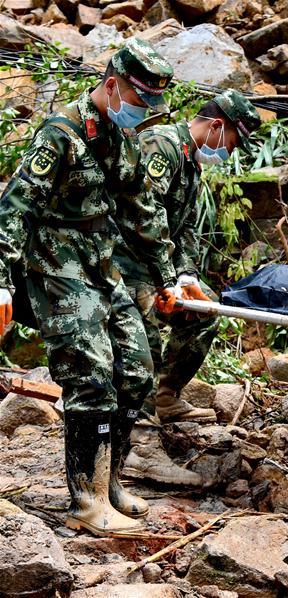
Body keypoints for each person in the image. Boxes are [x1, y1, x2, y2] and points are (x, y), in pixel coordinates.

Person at [0, 39, 174, 535]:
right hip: (57, 269)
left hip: (103, 267)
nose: (144, 114)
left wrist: (171, 278)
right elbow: (15, 208)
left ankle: (110, 482)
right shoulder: (60, 135)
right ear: (113, 86)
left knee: (138, 372)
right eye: (140, 103)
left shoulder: (126, 139)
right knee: (92, 377)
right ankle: (87, 501)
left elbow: (144, 213)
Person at [115, 90, 262, 486]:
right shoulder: (161, 144)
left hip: (156, 269)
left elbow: (188, 232)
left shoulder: (192, 165)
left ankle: (166, 396)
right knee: (141, 344)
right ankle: (142, 449)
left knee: (205, 312)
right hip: (125, 265)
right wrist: (166, 279)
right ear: (217, 126)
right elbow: (145, 217)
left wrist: (187, 278)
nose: (228, 153)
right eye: (231, 143)